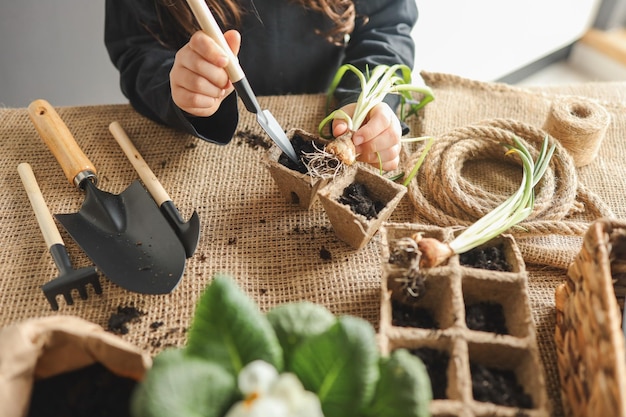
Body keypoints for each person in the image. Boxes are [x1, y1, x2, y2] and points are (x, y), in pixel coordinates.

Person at [105, 0, 418, 171]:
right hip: (199, 140)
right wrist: (179, 87)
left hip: (327, 105)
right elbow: (136, 48)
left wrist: (366, 98)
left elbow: (386, 25)